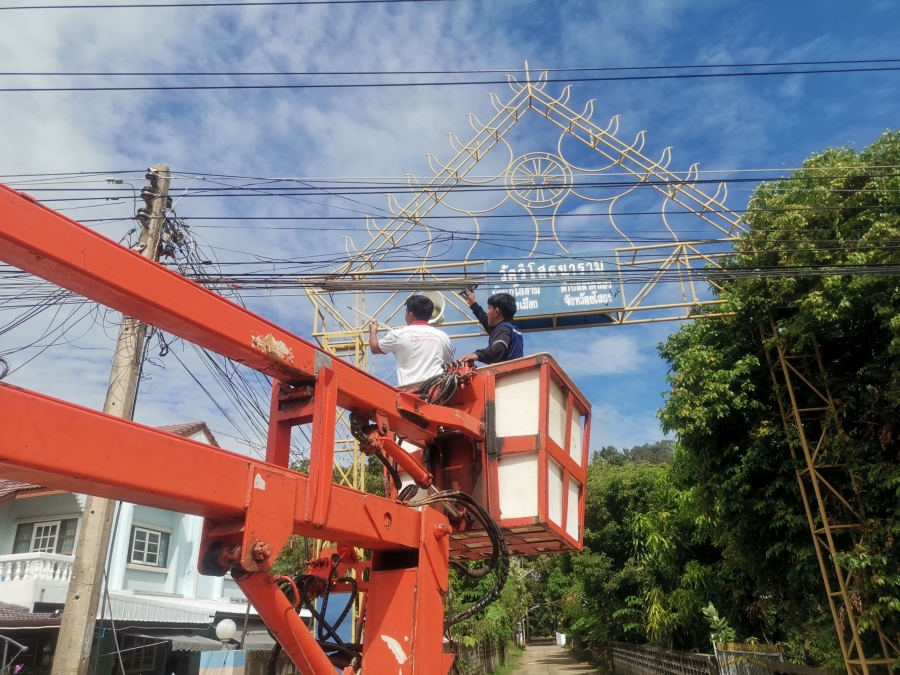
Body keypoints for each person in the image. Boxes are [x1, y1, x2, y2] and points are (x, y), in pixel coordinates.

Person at [368, 294, 455, 386]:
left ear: (410, 315)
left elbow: (374, 348)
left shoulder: (398, 334)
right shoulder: (443, 337)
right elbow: (449, 365)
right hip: (438, 390)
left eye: (406, 312)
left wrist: (373, 331)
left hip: (410, 392)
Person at [458, 290, 524, 364]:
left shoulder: (502, 329)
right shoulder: (512, 329)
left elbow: (498, 349)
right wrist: (473, 304)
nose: (488, 313)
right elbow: (485, 320)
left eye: (489, 309)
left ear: (496, 312)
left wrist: (477, 354)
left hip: (506, 374)